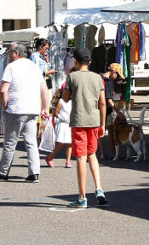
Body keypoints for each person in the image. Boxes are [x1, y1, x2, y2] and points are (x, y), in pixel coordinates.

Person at [0, 42, 50, 183]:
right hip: (33, 109)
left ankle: (3, 172)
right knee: (31, 142)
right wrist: (45, 109)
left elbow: (3, 90)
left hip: (15, 109)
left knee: (10, 142)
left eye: (10, 52)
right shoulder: (34, 67)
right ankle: (34, 173)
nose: (8, 55)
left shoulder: (11, 67)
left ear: (16, 53)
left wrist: (4, 108)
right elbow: (44, 90)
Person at [62, 47, 109, 208]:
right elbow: (102, 102)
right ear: (89, 62)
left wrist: (68, 80)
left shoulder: (72, 77)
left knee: (81, 158)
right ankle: (99, 189)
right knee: (92, 154)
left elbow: (66, 98)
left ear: (75, 61)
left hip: (79, 120)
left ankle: (82, 197)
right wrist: (103, 123)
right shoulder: (98, 78)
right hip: (94, 120)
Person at [45, 86, 73, 169]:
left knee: (69, 143)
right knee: (61, 143)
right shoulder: (61, 101)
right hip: (62, 124)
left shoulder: (72, 102)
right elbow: (55, 113)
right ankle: (50, 157)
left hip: (69, 124)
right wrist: (62, 118)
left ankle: (68, 161)